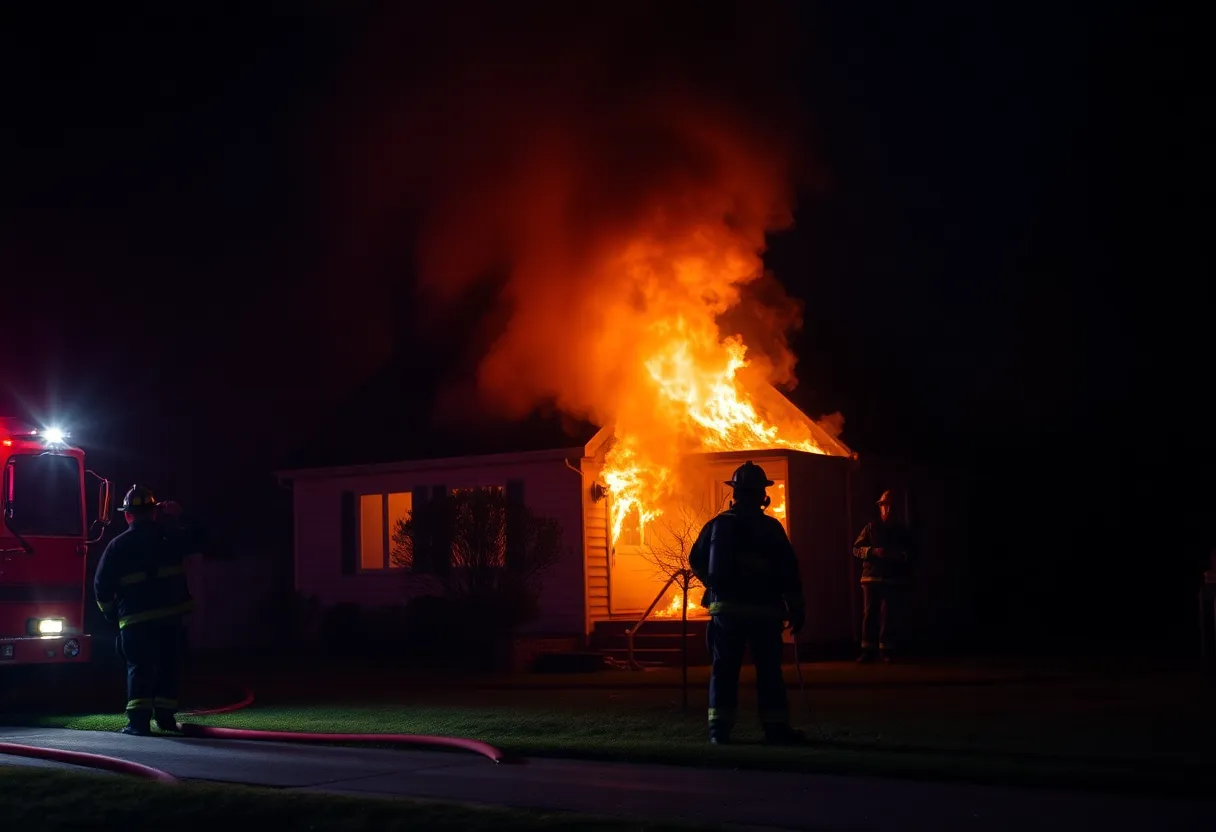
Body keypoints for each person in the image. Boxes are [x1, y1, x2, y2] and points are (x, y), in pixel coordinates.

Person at [689, 461, 807, 746]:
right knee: (769, 672)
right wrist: (796, 607)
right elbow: (789, 571)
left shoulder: (718, 525)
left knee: (724, 670)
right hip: (764, 613)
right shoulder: (771, 528)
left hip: (726, 613)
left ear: (736, 493)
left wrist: (713, 584)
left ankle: (719, 731)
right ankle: (776, 729)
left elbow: (696, 559)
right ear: (762, 495)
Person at [94, 484, 207, 735]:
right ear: (155, 512)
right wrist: (181, 515)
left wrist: (110, 613)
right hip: (170, 619)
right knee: (169, 667)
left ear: (127, 515)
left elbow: (101, 586)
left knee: (139, 669)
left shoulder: (117, 545)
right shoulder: (171, 536)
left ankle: (138, 723)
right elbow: (203, 538)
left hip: (134, 622)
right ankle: (165, 719)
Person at [852, 489, 914, 663]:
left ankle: (886, 650)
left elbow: (912, 553)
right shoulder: (871, 527)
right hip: (871, 578)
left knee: (889, 614)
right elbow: (856, 549)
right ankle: (867, 650)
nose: (888, 510)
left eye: (891, 506)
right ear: (880, 507)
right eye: (885, 506)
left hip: (893, 579)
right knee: (870, 614)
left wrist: (898, 556)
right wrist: (873, 551)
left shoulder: (903, 531)